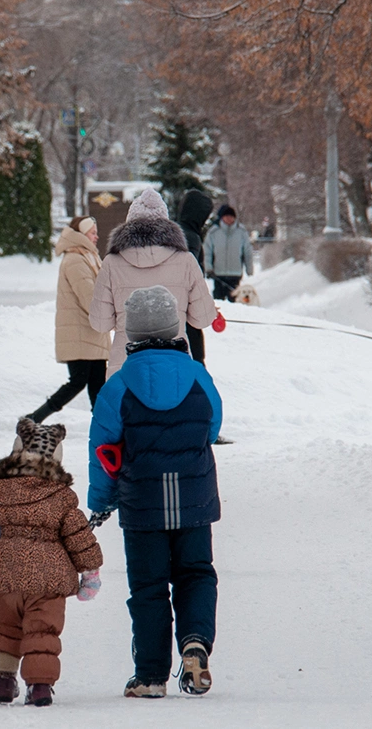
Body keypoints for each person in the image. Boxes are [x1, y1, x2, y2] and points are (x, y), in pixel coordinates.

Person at [87, 286, 222, 699]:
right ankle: (195, 641)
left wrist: (101, 500)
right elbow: (213, 426)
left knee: (147, 586)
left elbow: (103, 448)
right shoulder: (198, 374)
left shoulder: (118, 386)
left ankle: (149, 676)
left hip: (142, 506)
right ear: (174, 327)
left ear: (132, 335)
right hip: (193, 499)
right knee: (196, 574)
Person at [0, 419, 103, 707]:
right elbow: (78, 535)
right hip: (48, 580)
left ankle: (4, 680)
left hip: (7, 574)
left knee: (5, 627)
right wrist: (90, 573)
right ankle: (39, 687)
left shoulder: (3, 489)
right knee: (42, 632)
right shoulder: (62, 496)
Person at [89, 188, 217, 377]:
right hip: (174, 365)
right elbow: (203, 317)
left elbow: (100, 323)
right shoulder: (186, 260)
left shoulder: (112, 263)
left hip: (125, 366)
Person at [28, 217, 111, 423]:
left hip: (92, 333)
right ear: (81, 236)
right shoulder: (75, 259)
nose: (96, 236)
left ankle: (104, 429)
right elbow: (90, 297)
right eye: (93, 232)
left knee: (98, 387)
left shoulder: (89, 256)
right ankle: (35, 418)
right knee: (78, 382)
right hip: (80, 334)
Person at [176, 189, 215, 365]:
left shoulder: (175, 230)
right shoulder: (191, 237)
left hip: (172, 297)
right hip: (186, 299)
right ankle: (198, 371)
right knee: (193, 337)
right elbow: (193, 274)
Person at [204, 204, 254, 300]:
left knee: (235, 302)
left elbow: (248, 252)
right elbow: (207, 252)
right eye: (226, 216)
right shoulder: (213, 232)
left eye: (231, 216)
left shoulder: (241, 232)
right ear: (222, 217)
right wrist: (208, 268)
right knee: (218, 303)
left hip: (235, 274)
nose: (229, 219)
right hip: (218, 274)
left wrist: (249, 269)